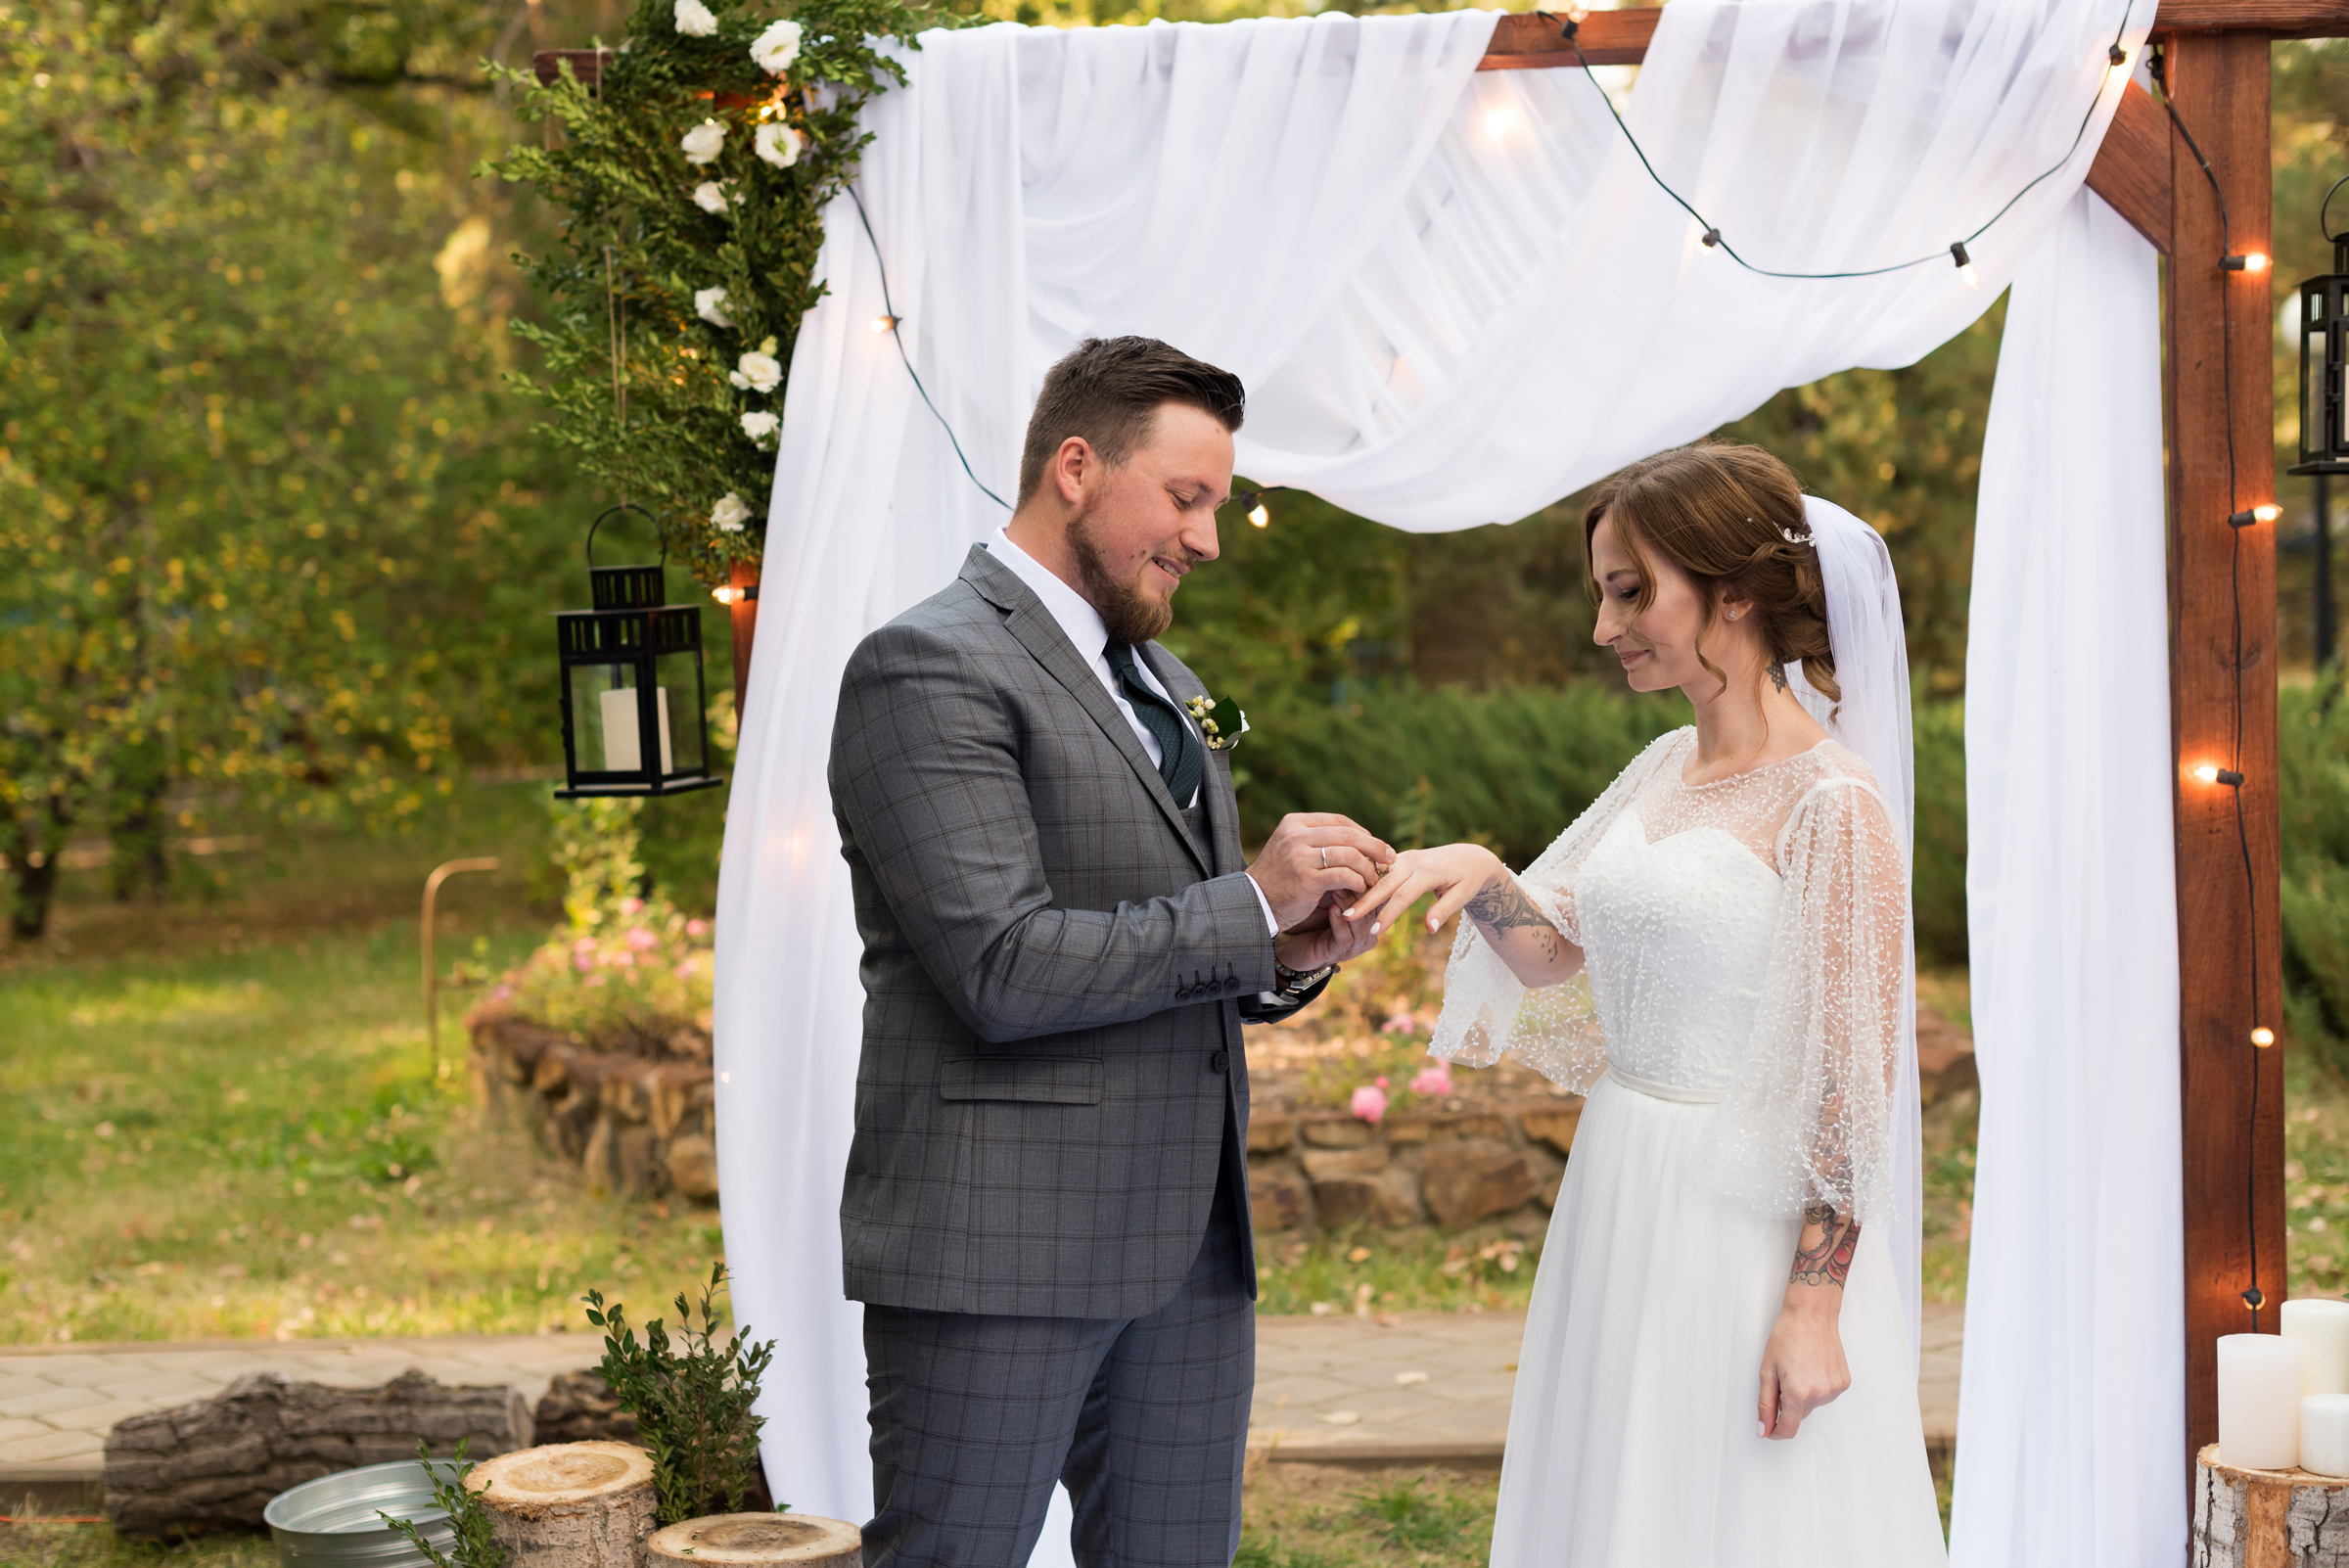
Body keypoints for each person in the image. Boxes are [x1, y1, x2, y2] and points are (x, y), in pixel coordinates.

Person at [827, 336, 1392, 1568]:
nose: (1209, 537)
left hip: (1190, 1250)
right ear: (1075, 467)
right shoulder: (924, 667)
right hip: (998, 1253)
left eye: (1218, 505)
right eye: (1186, 498)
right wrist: (1245, 904)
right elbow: (1004, 968)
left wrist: (1289, 949)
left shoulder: (1171, 681)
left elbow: (1180, 948)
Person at [1345, 442, 1947, 1565]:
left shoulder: (1834, 801)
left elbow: (1853, 1079)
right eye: (1601, 593)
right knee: (1614, 1490)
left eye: (1631, 592)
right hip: (1622, 1183)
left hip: (1738, 1215)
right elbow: (1556, 953)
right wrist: (1481, 876)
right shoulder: (1667, 763)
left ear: (1732, 592)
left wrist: (1813, 1308)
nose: (1603, 625)